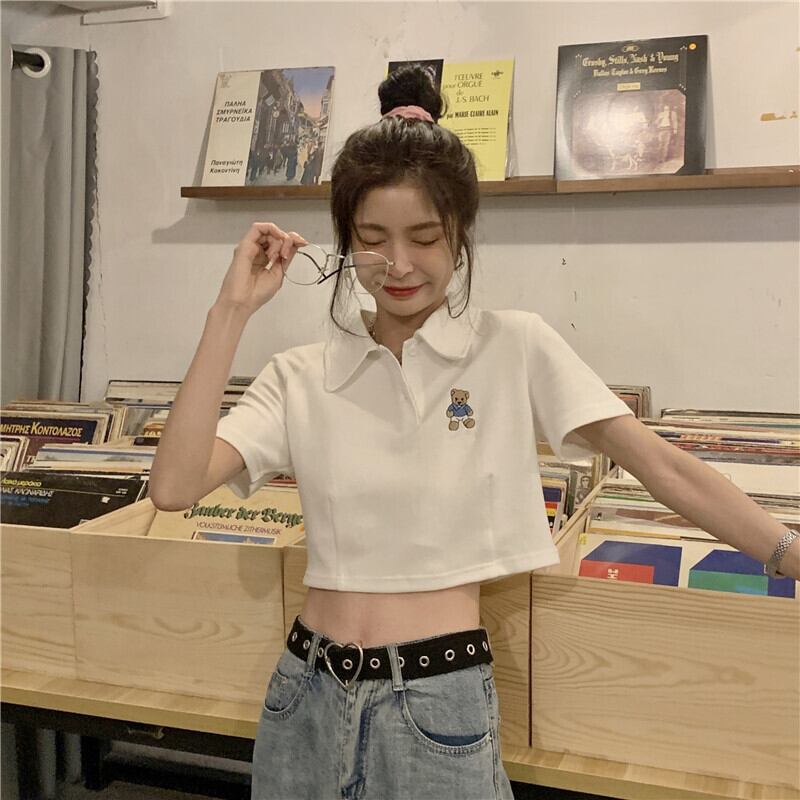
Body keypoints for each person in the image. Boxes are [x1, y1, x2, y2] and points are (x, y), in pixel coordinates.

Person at [149, 65, 799, 799]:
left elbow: (661, 466)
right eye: (372, 239)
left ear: (460, 234)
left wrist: (788, 552)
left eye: (424, 238)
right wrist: (231, 311)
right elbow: (173, 487)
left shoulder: (512, 346)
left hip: (437, 700)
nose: (398, 265)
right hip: (305, 695)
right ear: (345, 240)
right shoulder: (301, 373)